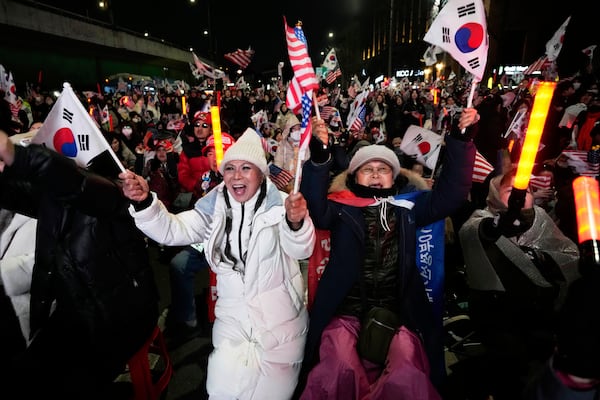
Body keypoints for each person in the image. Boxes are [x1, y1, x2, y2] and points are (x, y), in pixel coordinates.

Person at [297, 108, 480, 399]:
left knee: (407, 371)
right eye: (368, 169)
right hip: (346, 314)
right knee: (338, 369)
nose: (375, 175)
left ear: (393, 177)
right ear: (355, 175)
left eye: (383, 169)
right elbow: (314, 207)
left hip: (397, 314)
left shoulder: (409, 208)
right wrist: (319, 158)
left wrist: (460, 140)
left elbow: (453, 194)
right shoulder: (341, 208)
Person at [120, 128, 316, 399]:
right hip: (232, 320)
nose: (237, 175)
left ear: (260, 174)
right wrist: (144, 203)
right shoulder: (212, 208)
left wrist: (296, 223)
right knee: (220, 391)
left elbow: (302, 248)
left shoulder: (283, 206)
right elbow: (172, 230)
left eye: (246, 168)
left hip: (280, 325)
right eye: (230, 168)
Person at [0, 129, 159, 399]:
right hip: (78, 309)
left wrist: (15, 152)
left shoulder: (113, 191)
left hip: (119, 315)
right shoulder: (52, 198)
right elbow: (15, 192)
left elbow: (74, 184)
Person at [457, 171, 580, 399]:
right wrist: (496, 227)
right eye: (510, 191)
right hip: (501, 323)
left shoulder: (540, 218)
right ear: (495, 194)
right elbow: (471, 234)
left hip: (543, 321)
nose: (520, 196)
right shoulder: (480, 220)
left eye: (526, 191)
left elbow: (569, 255)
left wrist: (542, 259)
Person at [165, 132, 235, 345]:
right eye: (211, 153)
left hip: (234, 247)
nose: (215, 158)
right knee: (179, 265)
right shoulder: (205, 178)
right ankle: (189, 320)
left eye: (221, 153)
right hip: (206, 242)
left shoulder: (243, 178)